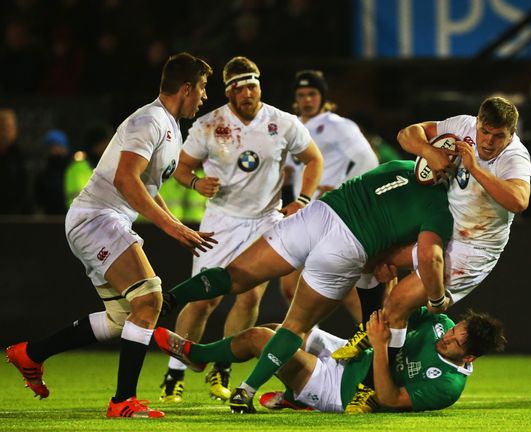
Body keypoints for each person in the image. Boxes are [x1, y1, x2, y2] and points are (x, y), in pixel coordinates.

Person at [5, 52, 215, 419]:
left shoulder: (170, 126)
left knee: (123, 317)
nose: (204, 97)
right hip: (96, 219)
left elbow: (148, 187)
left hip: (106, 220)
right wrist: (171, 226)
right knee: (150, 299)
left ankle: (31, 353)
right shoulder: (148, 120)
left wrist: (175, 225)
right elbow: (124, 180)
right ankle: (122, 402)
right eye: (202, 88)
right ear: (186, 88)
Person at [161, 160, 454, 413]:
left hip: (319, 215)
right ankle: (244, 389)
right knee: (293, 328)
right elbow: (428, 257)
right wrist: (437, 297)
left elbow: (407, 140)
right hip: (347, 245)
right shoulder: (440, 208)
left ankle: (168, 299)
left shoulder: (398, 166)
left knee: (234, 278)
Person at [159, 56, 323, 404]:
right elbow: (182, 167)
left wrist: (304, 199)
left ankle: (223, 365)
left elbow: (313, 158)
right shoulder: (208, 125)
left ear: (260, 85)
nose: (248, 93)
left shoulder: (282, 122)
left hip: (265, 221)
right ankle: (175, 371)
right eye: (240, 87)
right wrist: (195, 183)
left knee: (250, 297)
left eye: (253, 85)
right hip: (221, 222)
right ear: (229, 93)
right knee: (204, 300)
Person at [331, 96, 530, 364]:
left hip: (473, 249)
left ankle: (376, 381)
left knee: (399, 303)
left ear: (511, 134)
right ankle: (373, 330)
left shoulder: (515, 156)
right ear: (478, 122)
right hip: (443, 229)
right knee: (368, 259)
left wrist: (474, 168)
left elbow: (519, 201)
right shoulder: (462, 126)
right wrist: (428, 151)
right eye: (484, 131)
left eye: (498, 136)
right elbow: (407, 134)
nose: (488, 142)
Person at [153, 307, 506, 413]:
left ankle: (195, 354)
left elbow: (386, 398)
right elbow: (402, 312)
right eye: (453, 329)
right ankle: (292, 398)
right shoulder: (442, 325)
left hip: (341, 390)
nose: (446, 337)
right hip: (354, 356)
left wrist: (382, 347)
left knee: (262, 339)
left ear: (468, 356)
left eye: (454, 343)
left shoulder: (448, 386)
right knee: (284, 328)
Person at [280, 69, 378, 316]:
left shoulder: (337, 125)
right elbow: (290, 171)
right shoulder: (291, 127)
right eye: (301, 94)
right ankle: (303, 345)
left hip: (335, 216)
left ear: (322, 96)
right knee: (291, 286)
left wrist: (344, 189)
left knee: (345, 289)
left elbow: (369, 161)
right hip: (304, 215)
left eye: (312, 93)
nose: (306, 100)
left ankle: (376, 341)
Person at [0, 108, 29, 214]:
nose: (4, 132)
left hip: (15, 217)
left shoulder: (20, 157)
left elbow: (24, 190)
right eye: (1, 127)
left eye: (8, 127)